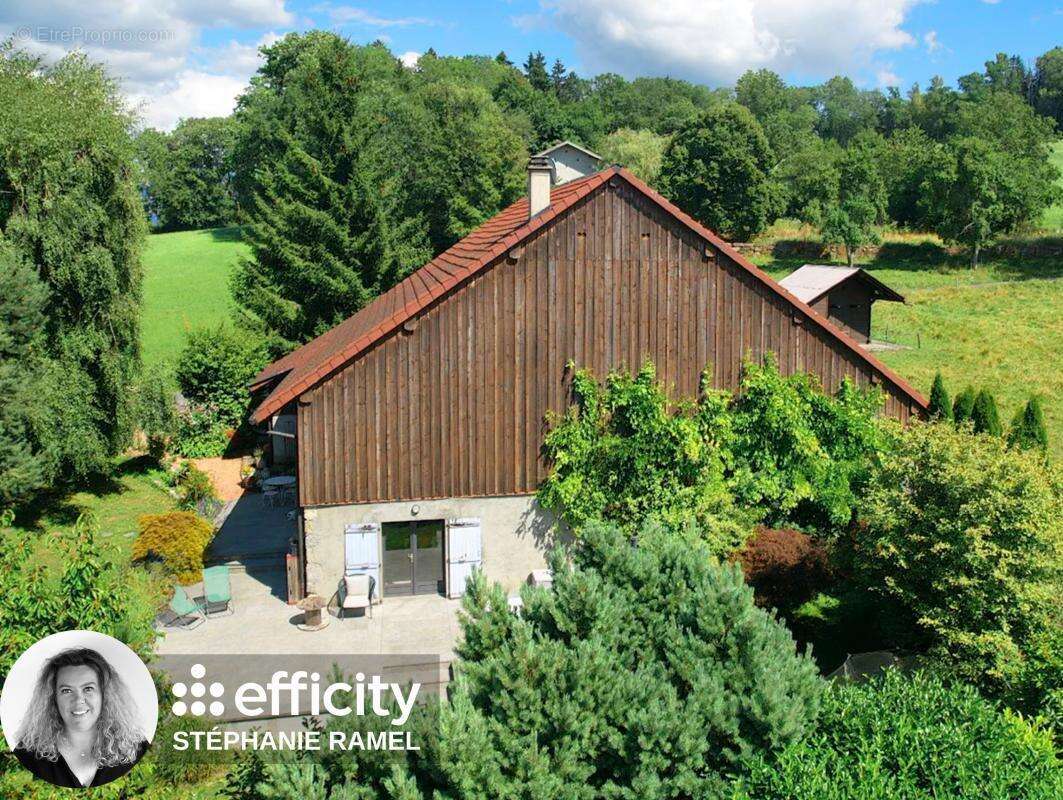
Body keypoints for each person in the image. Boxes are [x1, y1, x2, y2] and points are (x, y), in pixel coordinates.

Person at [13, 648, 149, 788]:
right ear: (53, 699)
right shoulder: (26, 755)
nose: (78, 700)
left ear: (105, 695)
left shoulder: (136, 749)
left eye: (88, 689)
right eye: (66, 691)